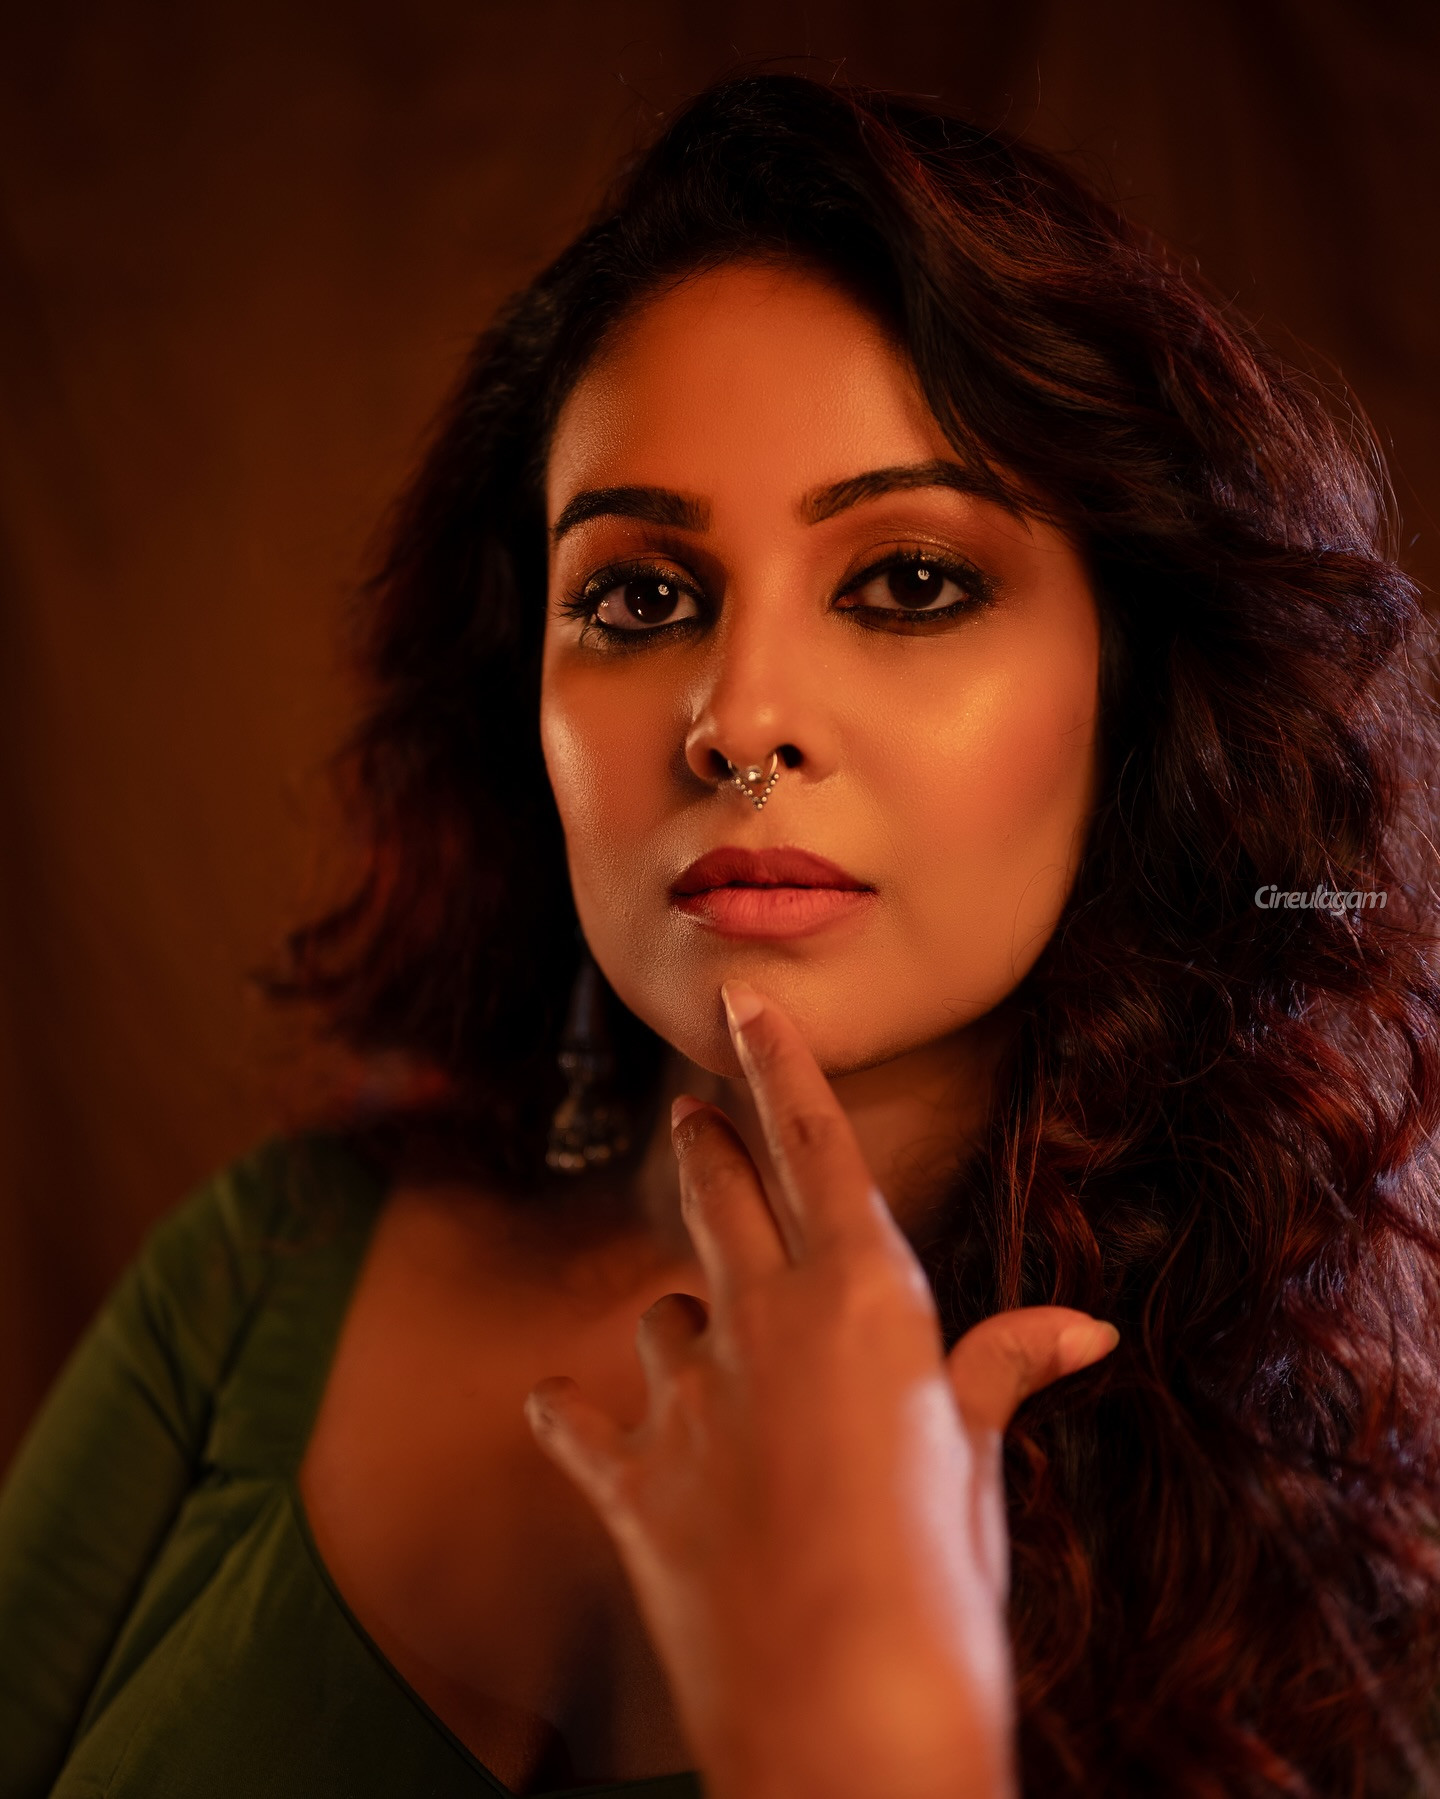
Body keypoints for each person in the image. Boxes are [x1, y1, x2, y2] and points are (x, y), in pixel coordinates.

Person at [2, 71, 1439, 1799]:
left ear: (1140, 693)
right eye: (640, 596)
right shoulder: (270, 1265)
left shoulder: (1360, 1550)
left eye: (908, 582)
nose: (738, 718)